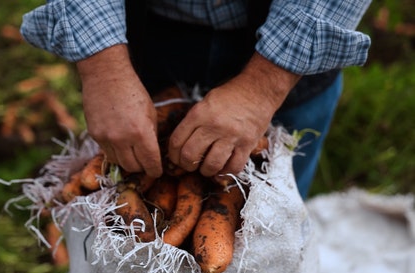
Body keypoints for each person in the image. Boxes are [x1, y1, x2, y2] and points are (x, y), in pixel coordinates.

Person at [20, 0, 372, 199]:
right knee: (124, 172)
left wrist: (263, 87)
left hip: (296, 40)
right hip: (137, 33)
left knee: (278, 199)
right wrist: (103, 67)